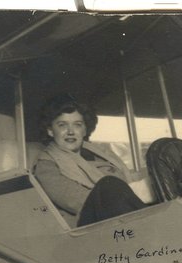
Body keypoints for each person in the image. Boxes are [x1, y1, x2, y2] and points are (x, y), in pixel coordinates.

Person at [34, 94, 146, 227]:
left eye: (77, 125)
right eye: (62, 125)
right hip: (89, 227)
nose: (70, 131)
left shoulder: (102, 153)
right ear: (50, 131)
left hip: (124, 215)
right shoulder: (46, 165)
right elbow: (76, 200)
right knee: (109, 184)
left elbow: (129, 180)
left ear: (85, 130)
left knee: (161, 150)